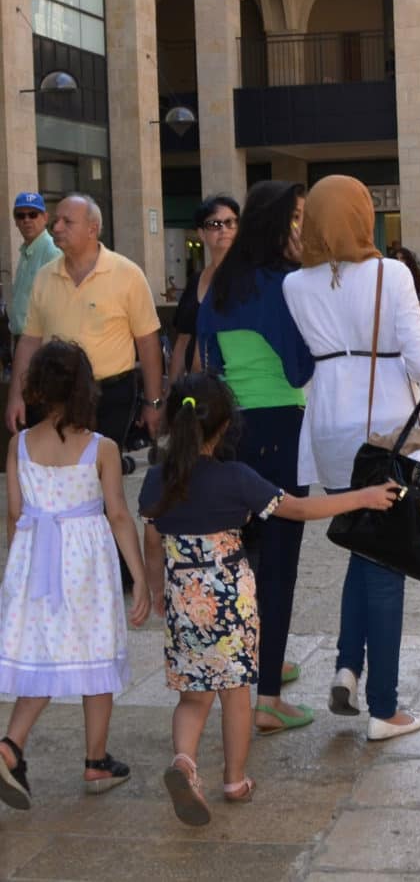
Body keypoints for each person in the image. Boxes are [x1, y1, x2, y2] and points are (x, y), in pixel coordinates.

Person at [138, 373, 404, 825]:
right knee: (237, 695)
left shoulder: (158, 480)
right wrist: (363, 497)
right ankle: (235, 779)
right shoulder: (237, 478)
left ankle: (184, 762)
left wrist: (156, 588)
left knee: (193, 697)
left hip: (186, 598)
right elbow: (299, 509)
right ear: (224, 428)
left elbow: (150, 535)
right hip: (230, 601)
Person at [283, 175, 420, 741]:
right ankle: (385, 706)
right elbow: (419, 357)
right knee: (387, 559)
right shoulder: (391, 273)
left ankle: (348, 665)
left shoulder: (294, 285)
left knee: (359, 539)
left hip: (327, 427)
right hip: (384, 429)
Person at [0, 340, 150, 811]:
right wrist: (141, 576)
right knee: (95, 652)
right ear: (88, 388)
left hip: (34, 558)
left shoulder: (19, 444)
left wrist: (16, 567)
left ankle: (11, 745)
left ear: (38, 388)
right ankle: (95, 759)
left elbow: (16, 513)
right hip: (85, 563)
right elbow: (120, 515)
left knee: (46, 651)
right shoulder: (101, 448)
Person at [197, 180, 316, 735]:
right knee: (281, 563)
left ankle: (250, 669)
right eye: (294, 218)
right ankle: (267, 695)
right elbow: (297, 370)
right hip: (281, 428)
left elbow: (211, 360)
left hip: (231, 432)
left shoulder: (220, 285)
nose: (299, 228)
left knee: (241, 560)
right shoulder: (285, 284)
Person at [5, 194, 165, 448]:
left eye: (67, 222)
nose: (56, 228)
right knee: (55, 476)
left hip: (110, 397)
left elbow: (148, 344)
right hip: (54, 396)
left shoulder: (128, 274)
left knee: (101, 476)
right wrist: (16, 396)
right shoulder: (44, 277)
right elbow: (29, 341)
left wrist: (153, 402)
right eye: (55, 220)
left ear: (92, 229)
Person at [169, 195, 240, 383]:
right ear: (201, 233)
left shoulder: (247, 279)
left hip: (236, 385)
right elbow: (182, 341)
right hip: (198, 388)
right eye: (214, 224)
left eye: (230, 222)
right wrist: (171, 392)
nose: (223, 229)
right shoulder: (196, 280)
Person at [9, 193, 60, 344]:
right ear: (16, 222)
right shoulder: (26, 251)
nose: (27, 220)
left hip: (39, 341)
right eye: (21, 216)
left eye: (33, 214)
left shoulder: (52, 251)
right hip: (21, 338)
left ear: (45, 218)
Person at [393, 245, 420, 343]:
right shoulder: (388, 279)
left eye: (403, 258)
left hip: (413, 328)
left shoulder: (418, 281)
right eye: (397, 258)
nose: (400, 261)